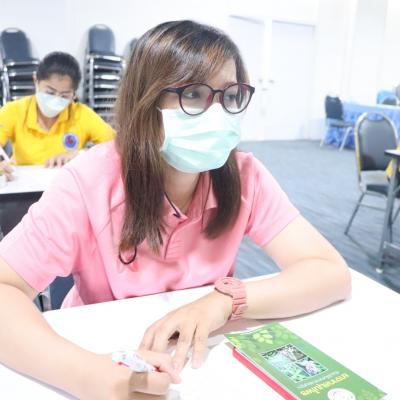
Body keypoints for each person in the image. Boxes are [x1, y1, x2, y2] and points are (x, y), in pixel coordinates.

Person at [0, 20, 351, 398]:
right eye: (194, 93)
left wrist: (223, 302)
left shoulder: (244, 175)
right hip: (104, 350)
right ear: (146, 100)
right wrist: (87, 375)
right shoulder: (90, 181)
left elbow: (329, 272)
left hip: (201, 360)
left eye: (230, 95)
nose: (217, 113)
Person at [0, 51, 114, 180]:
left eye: (64, 96)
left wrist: (81, 154)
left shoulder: (81, 114)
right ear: (36, 81)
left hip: (68, 184)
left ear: (74, 93)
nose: (56, 100)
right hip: (24, 184)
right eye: (50, 92)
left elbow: (117, 146)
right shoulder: (14, 111)